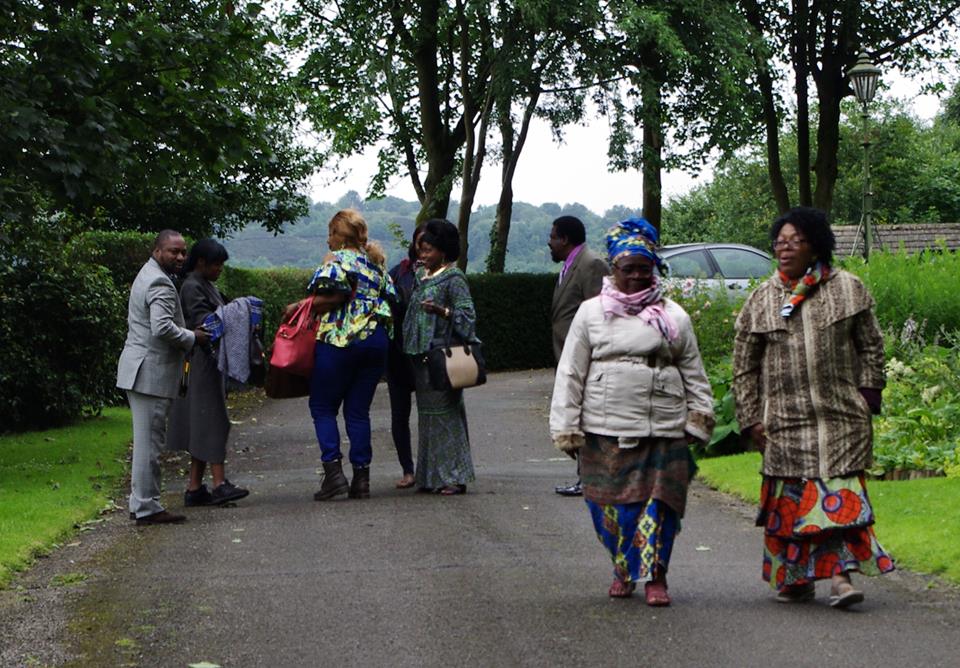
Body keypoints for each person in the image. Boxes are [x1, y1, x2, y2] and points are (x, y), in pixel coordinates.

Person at [733, 206, 894, 608]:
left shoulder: (848, 289)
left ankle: (842, 578)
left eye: (795, 242)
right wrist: (750, 416)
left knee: (837, 498)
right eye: (780, 242)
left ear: (816, 245)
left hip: (840, 418)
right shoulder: (761, 300)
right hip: (784, 424)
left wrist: (869, 391)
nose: (785, 249)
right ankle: (796, 579)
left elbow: (871, 345)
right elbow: (744, 366)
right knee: (790, 502)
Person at [550, 217, 715, 605]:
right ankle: (624, 566)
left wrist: (699, 417)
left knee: (661, 506)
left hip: (663, 428)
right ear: (613, 269)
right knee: (608, 508)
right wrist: (566, 426)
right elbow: (571, 372)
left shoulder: (674, 317)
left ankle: (656, 576)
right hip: (605, 430)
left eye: (646, 268)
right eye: (629, 269)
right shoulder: (591, 313)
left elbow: (694, 371)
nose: (639, 276)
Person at [297, 209, 395, 501]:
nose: (328, 240)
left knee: (323, 407)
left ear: (340, 236)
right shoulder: (377, 265)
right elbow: (392, 296)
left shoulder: (336, 261)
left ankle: (333, 475)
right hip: (375, 341)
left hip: (339, 340)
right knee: (358, 411)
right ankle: (361, 480)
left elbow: (329, 293)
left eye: (330, 233)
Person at [116, 230, 210, 525]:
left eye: (183, 252)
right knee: (149, 445)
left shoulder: (148, 273)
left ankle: (141, 502)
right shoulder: (158, 281)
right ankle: (146, 507)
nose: (180, 257)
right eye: (173, 251)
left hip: (140, 370)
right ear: (157, 251)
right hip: (150, 373)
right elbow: (162, 328)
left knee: (147, 442)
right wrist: (193, 337)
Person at [165, 239, 250, 507]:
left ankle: (194, 487)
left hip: (206, 363)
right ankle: (219, 484)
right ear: (201, 262)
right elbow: (207, 321)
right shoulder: (192, 287)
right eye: (216, 264)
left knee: (202, 422)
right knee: (213, 421)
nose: (220, 269)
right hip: (200, 364)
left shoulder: (204, 284)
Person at [402, 219, 478, 496]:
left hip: (443, 357)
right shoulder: (424, 276)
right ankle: (432, 476)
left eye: (428, 250)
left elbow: (468, 319)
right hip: (420, 356)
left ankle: (455, 477)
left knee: (446, 416)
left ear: (443, 250)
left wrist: (441, 311)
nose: (422, 255)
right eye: (420, 249)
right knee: (429, 418)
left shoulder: (454, 278)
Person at [548, 215, 609, 497]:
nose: (549, 243)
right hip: (569, 355)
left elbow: (599, 313)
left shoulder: (591, 264)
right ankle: (586, 477)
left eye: (552, 237)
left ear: (564, 239)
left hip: (586, 358)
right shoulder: (570, 266)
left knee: (586, 418)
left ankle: (592, 479)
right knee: (576, 417)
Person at [386, 225, 424, 489]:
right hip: (398, 356)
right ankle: (408, 470)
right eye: (420, 243)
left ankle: (429, 468)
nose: (423, 248)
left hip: (426, 356)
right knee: (399, 416)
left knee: (430, 415)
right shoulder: (397, 273)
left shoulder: (442, 275)